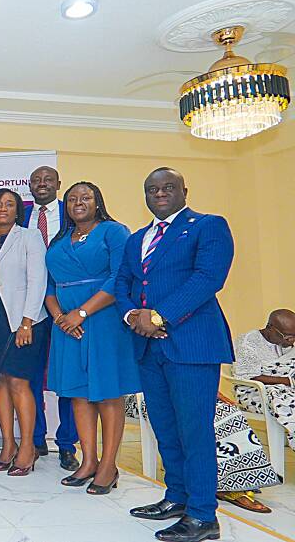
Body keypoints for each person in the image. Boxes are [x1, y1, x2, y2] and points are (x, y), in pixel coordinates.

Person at [117, 167, 234, 542]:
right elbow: (124, 282)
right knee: (166, 428)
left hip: (192, 345)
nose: (160, 193)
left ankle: (203, 516)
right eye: (152, 189)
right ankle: (178, 498)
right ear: (146, 195)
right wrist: (132, 314)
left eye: (168, 187)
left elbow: (207, 278)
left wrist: (158, 315)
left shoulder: (208, 226)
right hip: (149, 347)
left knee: (193, 430)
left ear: (184, 190)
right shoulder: (137, 238)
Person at [44, 181, 138, 494]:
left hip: (103, 321)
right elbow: (49, 286)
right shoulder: (59, 239)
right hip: (66, 327)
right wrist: (60, 318)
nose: (78, 202)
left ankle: (109, 466)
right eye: (71, 199)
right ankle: (88, 461)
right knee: (79, 394)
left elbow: (119, 278)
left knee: (107, 392)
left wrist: (81, 313)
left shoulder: (113, 231)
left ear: (97, 202)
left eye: (85, 197)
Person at [0, 189, 49, 477]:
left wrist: (27, 321)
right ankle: (7, 445)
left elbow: (38, 280)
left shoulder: (29, 237)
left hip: (24, 320)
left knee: (19, 382)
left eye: (9, 204)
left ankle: (27, 448)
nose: (3, 209)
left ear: (18, 210)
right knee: (0, 382)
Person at [126, 393, 281, 514]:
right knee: (202, 417)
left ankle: (234, 481)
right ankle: (219, 483)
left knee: (226, 410)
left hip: (180, 383)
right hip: (144, 391)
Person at [22, 165, 79, 471]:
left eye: (47, 180)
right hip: (29, 310)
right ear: (29, 186)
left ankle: (67, 444)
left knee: (67, 378)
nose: (41, 184)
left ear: (58, 183)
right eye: (36, 180)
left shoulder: (72, 215)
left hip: (64, 308)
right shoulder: (20, 215)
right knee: (28, 376)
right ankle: (35, 437)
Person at [233, 309, 295, 452]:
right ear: (270, 328)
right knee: (284, 401)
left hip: (287, 388)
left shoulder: (287, 342)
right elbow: (248, 376)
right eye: (287, 337)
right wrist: (287, 381)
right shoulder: (247, 344)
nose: (292, 341)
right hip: (255, 392)